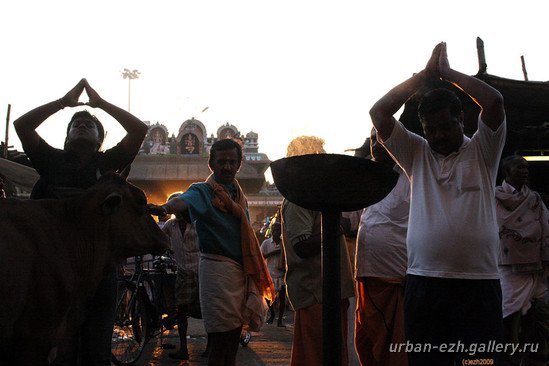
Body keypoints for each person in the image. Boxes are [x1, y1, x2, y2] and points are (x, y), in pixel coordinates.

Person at [369, 42, 506, 365]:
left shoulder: (483, 151)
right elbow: (379, 113)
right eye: (431, 130)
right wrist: (422, 78)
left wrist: (448, 74)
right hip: (424, 284)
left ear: (462, 119)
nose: (439, 136)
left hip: (479, 284)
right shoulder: (416, 153)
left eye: (446, 127)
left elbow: (494, 101)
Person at [13, 78, 148, 365]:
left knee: (97, 351)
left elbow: (139, 129)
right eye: (76, 124)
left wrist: (101, 104)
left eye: (91, 125)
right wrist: (63, 102)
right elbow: (22, 126)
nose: (83, 125)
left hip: (101, 271)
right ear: (66, 139)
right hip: (53, 272)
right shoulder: (51, 161)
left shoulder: (108, 164)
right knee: (59, 349)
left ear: (100, 141)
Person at [148, 138, 274, 366]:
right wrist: (164, 208)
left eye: (232, 161)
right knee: (220, 341)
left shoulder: (237, 193)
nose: (227, 166)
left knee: (233, 338)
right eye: (222, 161)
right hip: (216, 271)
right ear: (211, 164)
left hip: (239, 272)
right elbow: (183, 201)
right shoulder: (203, 191)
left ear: (239, 164)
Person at [281, 136, 355, 366]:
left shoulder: (317, 194)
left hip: (330, 292)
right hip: (316, 293)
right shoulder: (299, 198)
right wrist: (335, 227)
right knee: (317, 358)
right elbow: (302, 246)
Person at [354, 128, 410, 366]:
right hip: (367, 275)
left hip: (397, 278)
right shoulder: (366, 179)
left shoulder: (410, 177)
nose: (376, 145)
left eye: (382, 139)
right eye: (373, 139)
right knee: (366, 342)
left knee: (395, 347)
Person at [495, 155, 549, 365]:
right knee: (510, 313)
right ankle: (507, 355)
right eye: (519, 167)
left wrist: (546, 258)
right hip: (509, 267)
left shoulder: (535, 198)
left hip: (535, 266)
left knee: (541, 312)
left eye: (526, 167)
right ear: (507, 173)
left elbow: (545, 227)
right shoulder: (494, 197)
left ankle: (538, 354)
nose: (525, 171)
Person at [161, 192, 203, 361]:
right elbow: (160, 240)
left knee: (206, 310)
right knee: (181, 312)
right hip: (182, 272)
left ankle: (211, 345)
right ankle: (183, 348)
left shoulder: (198, 223)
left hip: (201, 270)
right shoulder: (169, 226)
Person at [260, 222, 286, 327]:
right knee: (267, 297)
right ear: (271, 230)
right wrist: (274, 253)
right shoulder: (266, 243)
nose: (276, 231)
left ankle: (279, 320)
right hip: (270, 273)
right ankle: (272, 314)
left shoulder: (284, 243)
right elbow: (261, 257)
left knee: (282, 298)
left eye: (278, 229)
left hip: (282, 273)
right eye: (275, 229)